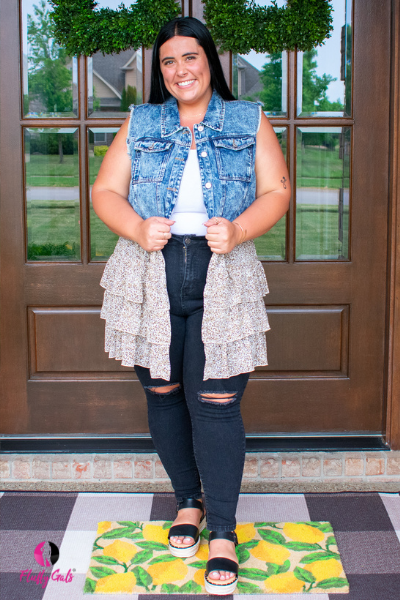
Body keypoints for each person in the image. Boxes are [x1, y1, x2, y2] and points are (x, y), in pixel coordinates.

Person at [92, 16, 290, 595]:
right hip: (150, 271)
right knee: (163, 391)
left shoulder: (248, 119)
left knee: (217, 401)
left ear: (210, 61)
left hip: (223, 270)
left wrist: (241, 228)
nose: (180, 70)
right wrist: (134, 225)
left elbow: (277, 189)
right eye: (168, 62)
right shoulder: (142, 120)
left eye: (190, 58)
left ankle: (224, 531)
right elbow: (105, 190)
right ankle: (188, 503)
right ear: (161, 71)